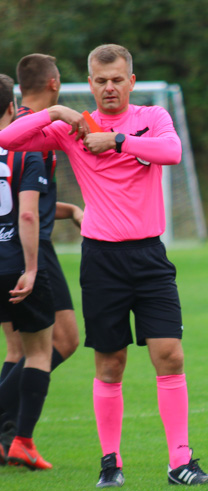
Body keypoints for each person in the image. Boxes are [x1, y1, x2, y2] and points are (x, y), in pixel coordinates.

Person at [0, 44, 208, 487]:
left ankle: (181, 462)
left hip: (151, 257)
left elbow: (172, 151)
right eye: (101, 81)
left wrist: (117, 139)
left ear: (131, 81)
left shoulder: (152, 118)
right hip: (101, 260)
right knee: (110, 363)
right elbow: (7, 139)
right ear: (90, 84)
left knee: (169, 355)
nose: (110, 88)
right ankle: (110, 464)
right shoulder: (72, 127)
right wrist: (58, 112)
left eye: (117, 79)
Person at [0, 54, 84, 460]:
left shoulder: (17, 127)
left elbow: (30, 198)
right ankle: (16, 436)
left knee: (24, 350)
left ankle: (10, 437)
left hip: (14, 246)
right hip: (29, 251)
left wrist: (72, 211)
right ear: (54, 83)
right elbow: (27, 206)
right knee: (54, 344)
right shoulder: (32, 132)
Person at [0, 74, 56, 470]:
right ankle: (22, 440)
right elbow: (27, 213)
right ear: (11, 108)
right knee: (39, 352)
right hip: (14, 266)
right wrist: (33, 269)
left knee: (13, 350)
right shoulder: (25, 152)